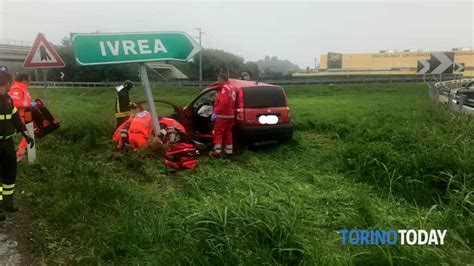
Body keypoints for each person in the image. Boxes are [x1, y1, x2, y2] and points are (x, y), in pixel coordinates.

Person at [0, 71, 34, 219]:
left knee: (9, 174)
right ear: (4, 83)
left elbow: (15, 118)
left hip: (7, 142)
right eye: (9, 83)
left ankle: (8, 203)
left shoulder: (8, 99)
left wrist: (25, 133)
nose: (10, 86)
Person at [8, 73, 33, 162]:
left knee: (30, 132)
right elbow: (13, 103)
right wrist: (28, 104)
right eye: (29, 79)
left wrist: (31, 103)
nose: (30, 81)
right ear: (24, 79)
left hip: (26, 113)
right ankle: (19, 155)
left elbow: (25, 99)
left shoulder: (23, 87)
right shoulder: (17, 88)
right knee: (28, 133)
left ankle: (22, 152)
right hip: (20, 114)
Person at [211, 73, 236, 157]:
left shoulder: (224, 89)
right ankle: (229, 152)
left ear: (222, 79)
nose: (218, 81)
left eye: (218, 79)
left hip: (223, 115)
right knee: (228, 133)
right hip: (231, 115)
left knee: (218, 133)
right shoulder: (232, 88)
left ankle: (217, 153)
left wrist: (216, 112)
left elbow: (223, 103)